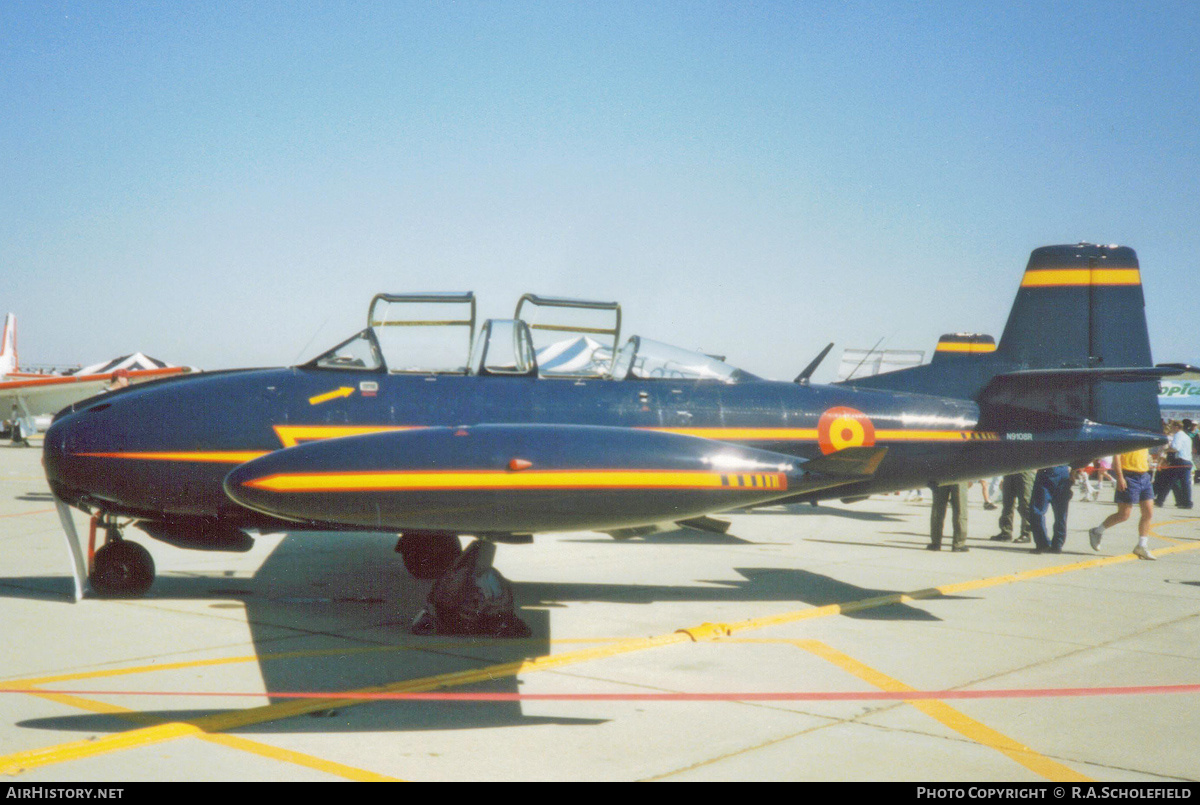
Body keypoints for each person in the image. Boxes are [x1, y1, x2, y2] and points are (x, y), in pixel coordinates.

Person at [1088, 448, 1157, 560]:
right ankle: (1096, 531)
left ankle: (1141, 545)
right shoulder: (1129, 436)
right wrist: (1120, 477)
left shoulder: (1144, 436)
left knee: (1148, 513)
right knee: (1124, 514)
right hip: (1128, 476)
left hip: (1144, 476)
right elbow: (1117, 457)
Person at [1028, 465, 1073, 553]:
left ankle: (1042, 543)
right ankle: (1058, 544)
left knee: (1037, 509)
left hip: (1047, 470)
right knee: (1061, 511)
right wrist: (1074, 469)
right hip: (1064, 471)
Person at [1153, 420, 1194, 509]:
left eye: (1172, 427)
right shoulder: (1187, 437)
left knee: (1168, 481)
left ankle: (1160, 500)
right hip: (1187, 461)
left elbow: (1176, 447)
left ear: (1176, 427)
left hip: (1179, 461)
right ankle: (1187, 502)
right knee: (1185, 483)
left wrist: (1166, 450)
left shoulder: (1178, 435)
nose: (1171, 428)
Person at [991, 471, 1034, 543]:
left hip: (1025, 471)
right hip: (1010, 472)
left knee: (1025, 504)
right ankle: (1006, 532)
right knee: (1007, 504)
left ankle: (1026, 533)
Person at [928, 482, 968, 552]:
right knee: (960, 509)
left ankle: (935, 543)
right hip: (959, 476)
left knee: (937, 510)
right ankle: (958, 544)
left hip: (941, 476)